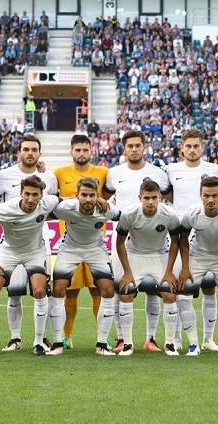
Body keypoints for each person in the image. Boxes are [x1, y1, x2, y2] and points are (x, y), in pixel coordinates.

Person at [0, 176, 60, 356]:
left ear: (42, 195)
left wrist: (100, 201)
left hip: (35, 251)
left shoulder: (49, 202)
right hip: (8, 251)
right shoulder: (4, 210)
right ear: (20, 193)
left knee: (40, 291)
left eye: (35, 195)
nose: (31, 199)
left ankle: (39, 342)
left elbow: (72, 204)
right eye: (27, 194)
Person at [104, 130, 170, 353]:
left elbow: (168, 199)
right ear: (124, 148)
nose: (134, 149)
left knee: (154, 291)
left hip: (153, 238)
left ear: (144, 147)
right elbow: (103, 199)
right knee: (119, 288)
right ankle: (122, 339)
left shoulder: (158, 174)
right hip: (123, 238)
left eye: (137, 145)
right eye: (129, 146)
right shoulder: (114, 173)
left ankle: (150, 338)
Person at [0, 134, 58, 352]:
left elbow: (53, 207)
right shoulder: (4, 175)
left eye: (34, 150)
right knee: (14, 292)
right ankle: (15, 338)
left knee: (41, 291)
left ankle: (41, 338)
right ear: (19, 152)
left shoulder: (48, 176)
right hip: (11, 241)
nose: (30, 153)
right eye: (26, 149)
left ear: (39, 153)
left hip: (39, 241)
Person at [165, 129, 218, 352]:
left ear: (202, 147)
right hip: (181, 235)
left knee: (210, 287)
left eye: (196, 146)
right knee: (180, 287)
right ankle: (178, 338)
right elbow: (166, 197)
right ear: (182, 148)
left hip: (207, 234)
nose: (192, 150)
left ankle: (209, 339)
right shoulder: (171, 170)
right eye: (188, 146)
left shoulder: (215, 170)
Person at [48, 178, 120, 356]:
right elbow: (48, 204)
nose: (88, 199)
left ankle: (102, 344)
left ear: (98, 196)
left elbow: (125, 220)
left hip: (96, 249)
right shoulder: (64, 208)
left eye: (92, 195)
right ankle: (57, 342)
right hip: (69, 249)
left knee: (108, 290)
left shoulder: (107, 210)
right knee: (58, 289)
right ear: (76, 195)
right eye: (84, 195)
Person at [53, 134, 109, 349]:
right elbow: (50, 199)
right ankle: (67, 336)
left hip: (95, 243)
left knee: (99, 290)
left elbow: (109, 199)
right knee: (70, 291)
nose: (82, 154)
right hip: (70, 243)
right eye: (78, 150)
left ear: (91, 151)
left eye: (85, 150)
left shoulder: (103, 173)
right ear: (71, 152)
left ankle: (102, 337)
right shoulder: (59, 174)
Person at [115, 179, 181, 356]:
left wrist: (168, 271)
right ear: (140, 197)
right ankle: (128, 344)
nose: (150, 202)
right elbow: (120, 243)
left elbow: (175, 242)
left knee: (169, 292)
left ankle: (169, 344)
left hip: (160, 256)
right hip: (135, 256)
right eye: (146, 198)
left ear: (159, 197)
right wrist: (127, 272)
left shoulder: (170, 215)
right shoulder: (129, 214)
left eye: (154, 197)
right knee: (126, 292)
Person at [178, 176, 218, 355]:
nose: (210, 200)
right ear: (200, 195)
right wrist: (184, 267)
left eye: (214, 195)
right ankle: (193, 345)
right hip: (198, 255)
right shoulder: (191, 213)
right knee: (183, 294)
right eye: (206, 195)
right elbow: (183, 241)